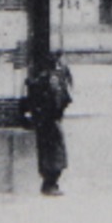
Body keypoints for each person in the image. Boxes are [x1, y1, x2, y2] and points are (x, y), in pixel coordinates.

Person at [20, 53, 72, 196]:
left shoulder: (35, 81)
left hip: (42, 121)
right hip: (51, 121)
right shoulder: (51, 81)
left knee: (46, 152)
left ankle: (48, 183)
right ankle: (50, 184)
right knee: (55, 153)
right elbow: (62, 100)